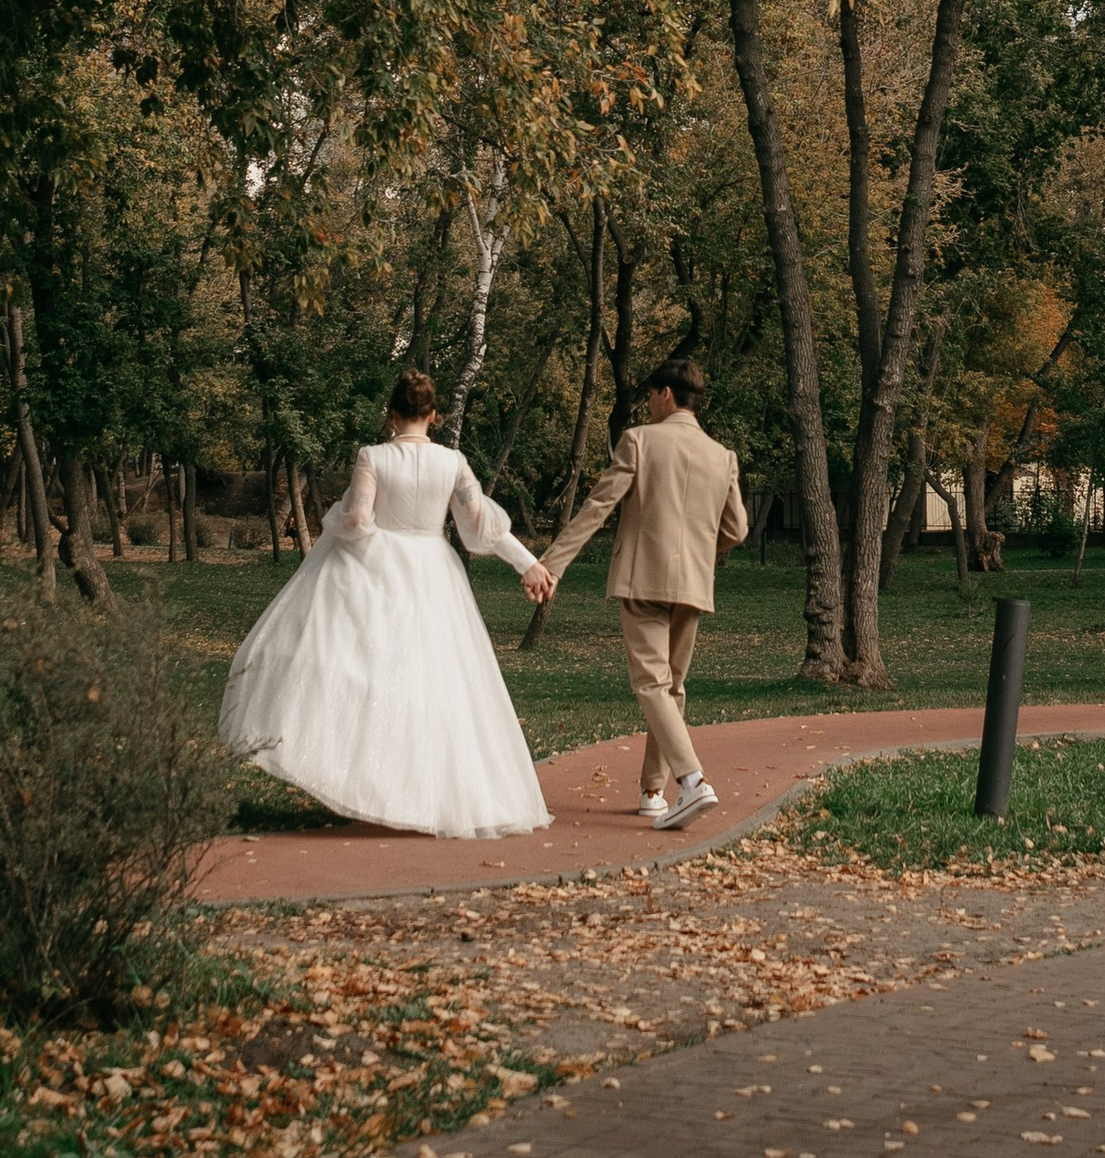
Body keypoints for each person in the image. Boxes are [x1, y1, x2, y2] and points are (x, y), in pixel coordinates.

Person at [218, 368, 551, 839]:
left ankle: (375, 791)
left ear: (392, 414)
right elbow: (479, 527)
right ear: (433, 415)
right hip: (436, 571)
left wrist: (344, 525)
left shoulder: (372, 455)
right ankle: (426, 795)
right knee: (438, 683)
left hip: (377, 568)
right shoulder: (453, 462)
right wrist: (528, 564)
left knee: (375, 675)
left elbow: (356, 517)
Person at [522, 358, 745, 831]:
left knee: (650, 684)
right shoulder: (722, 455)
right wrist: (702, 550)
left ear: (666, 394)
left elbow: (598, 506)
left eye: (650, 395)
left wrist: (551, 563)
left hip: (644, 578)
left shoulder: (640, 440)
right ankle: (653, 792)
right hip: (694, 587)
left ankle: (692, 781)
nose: (648, 402)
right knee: (673, 688)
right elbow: (738, 529)